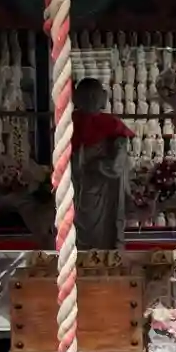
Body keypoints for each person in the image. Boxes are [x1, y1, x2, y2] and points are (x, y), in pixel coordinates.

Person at [73, 76, 133, 249]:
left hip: (105, 191)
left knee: (105, 233)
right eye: (87, 96)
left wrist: (100, 165)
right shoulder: (70, 125)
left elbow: (117, 165)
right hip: (79, 188)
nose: (91, 100)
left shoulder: (112, 125)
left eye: (94, 95)